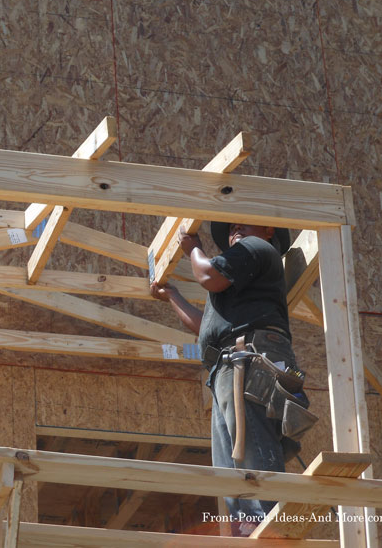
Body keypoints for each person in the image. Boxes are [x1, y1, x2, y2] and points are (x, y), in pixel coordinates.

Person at [150, 222, 299, 536]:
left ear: (269, 230)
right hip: (228, 361)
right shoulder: (238, 282)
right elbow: (203, 330)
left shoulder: (259, 248)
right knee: (230, 459)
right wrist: (173, 296)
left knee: (252, 442)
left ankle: (263, 523)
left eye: (244, 224)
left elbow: (208, 276)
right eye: (232, 228)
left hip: (249, 355)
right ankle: (246, 528)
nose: (236, 231)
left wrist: (192, 247)